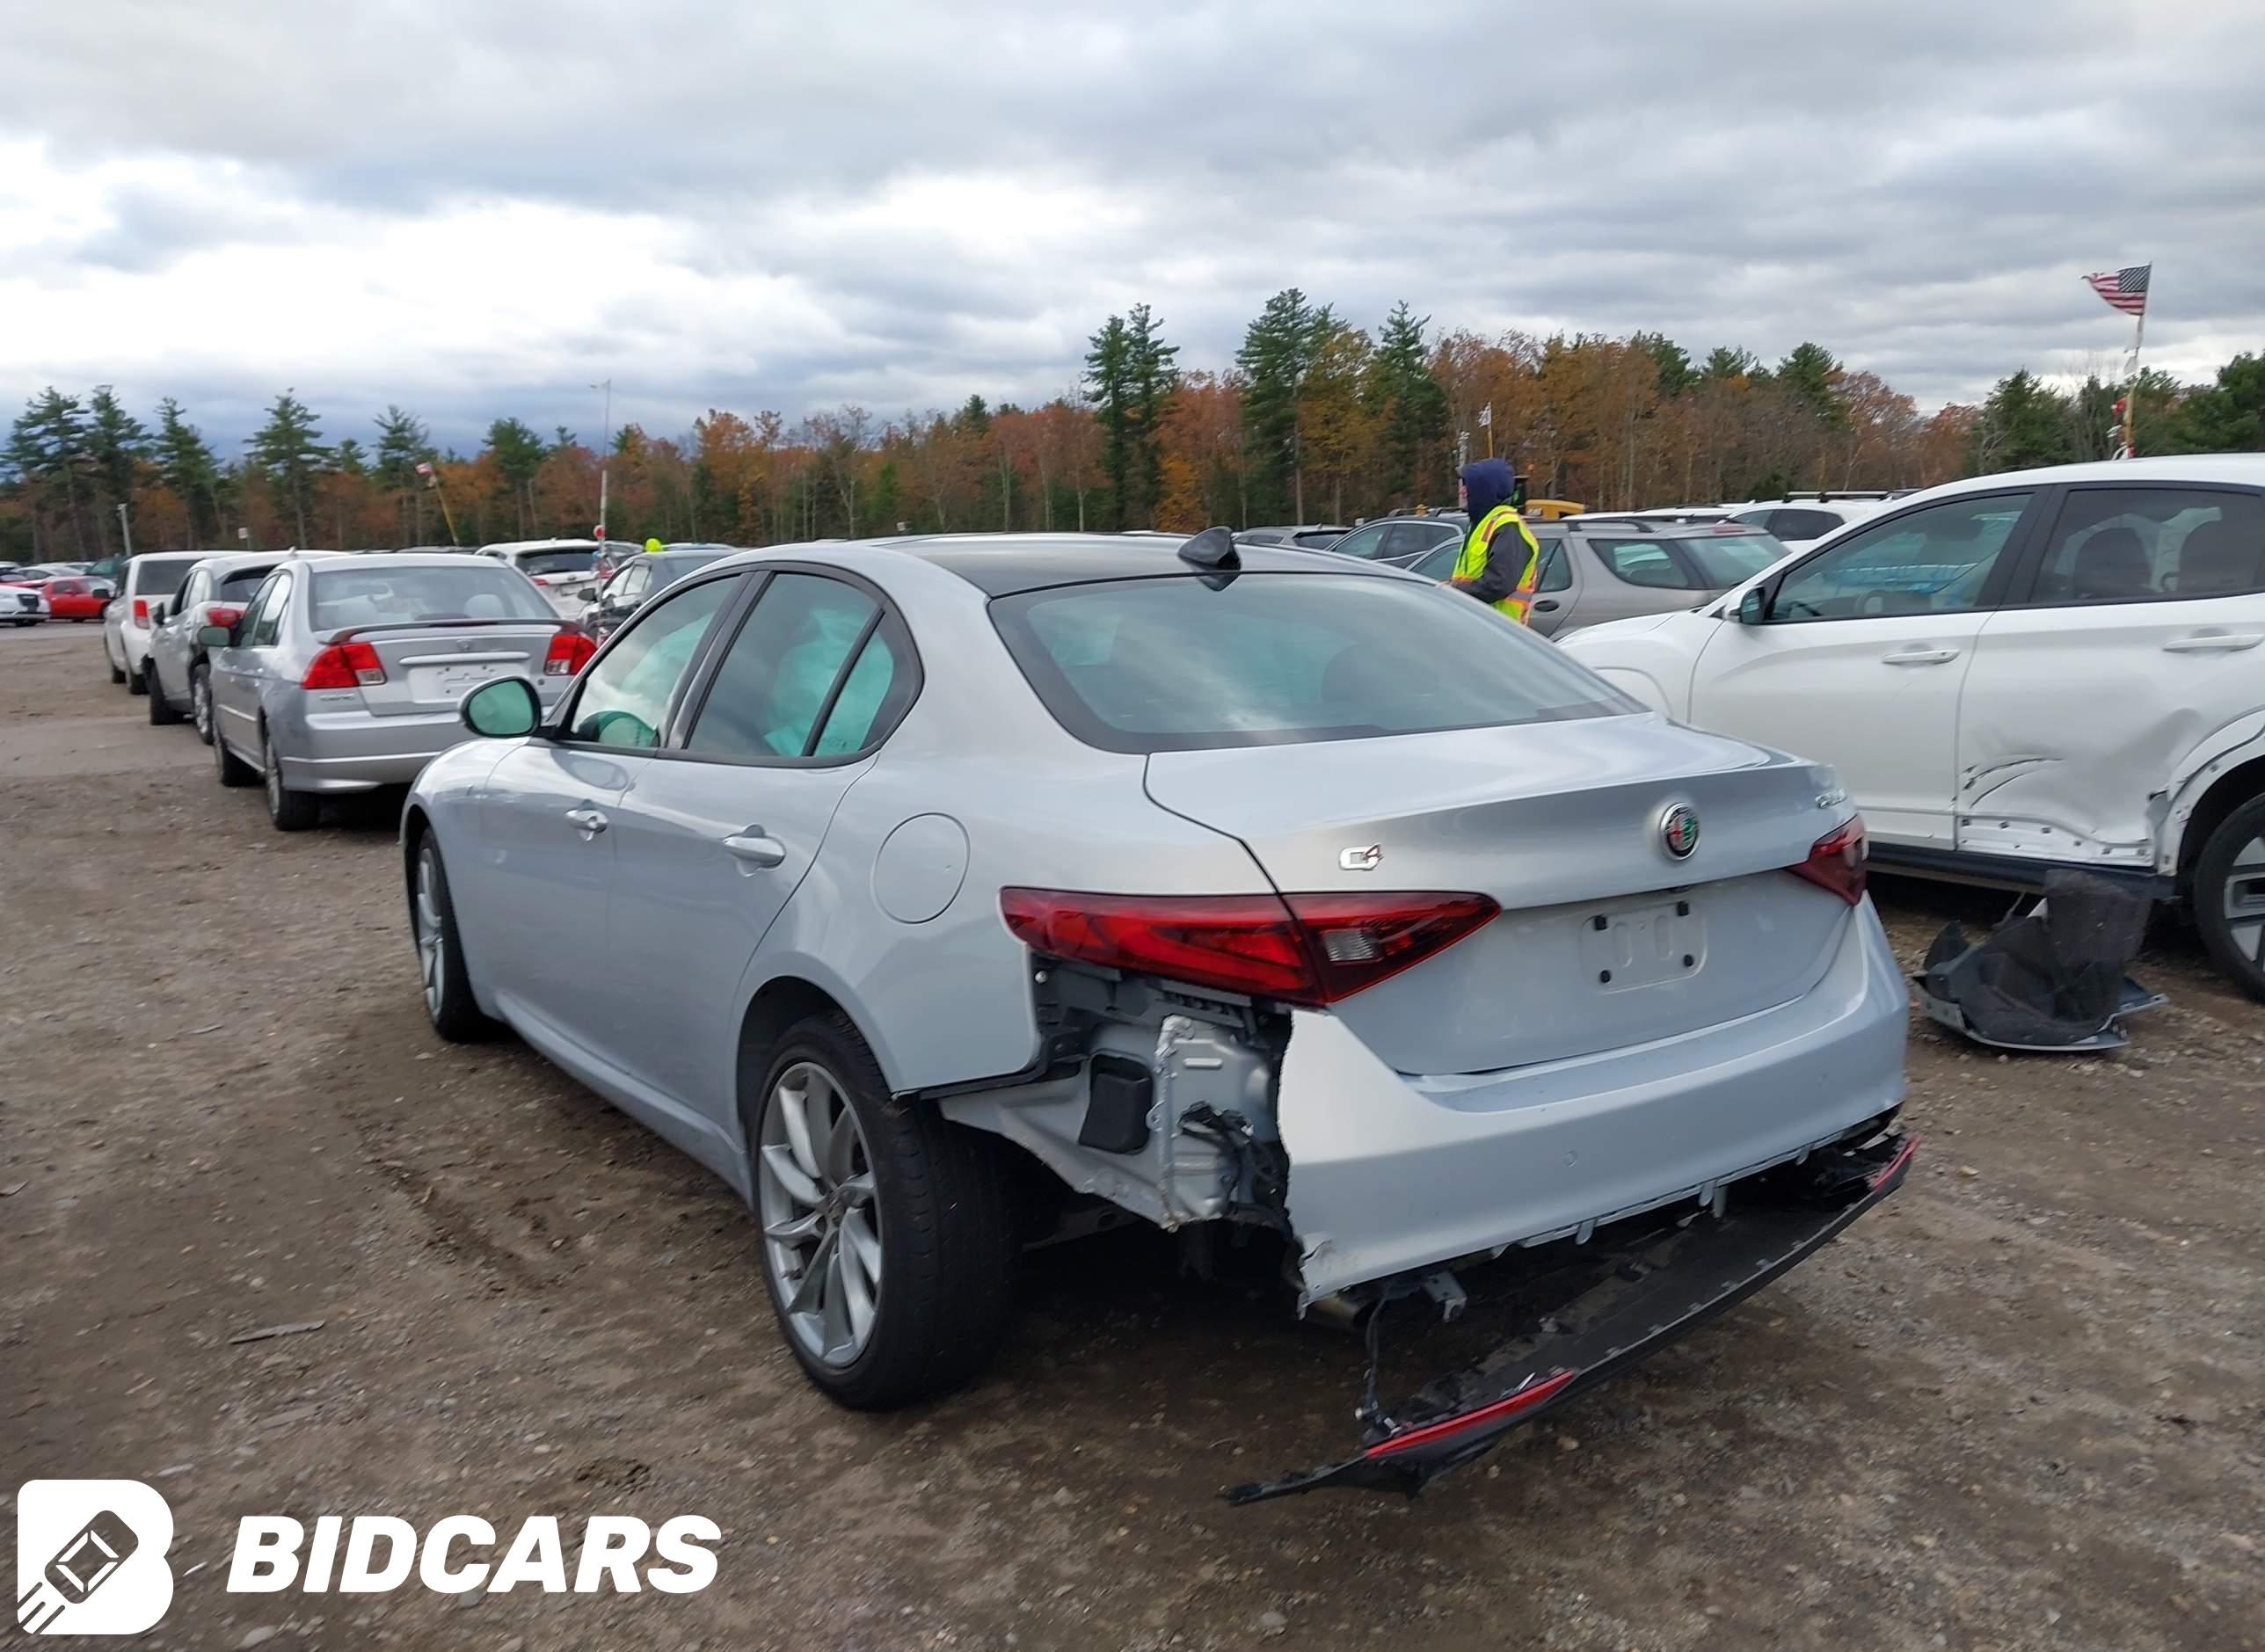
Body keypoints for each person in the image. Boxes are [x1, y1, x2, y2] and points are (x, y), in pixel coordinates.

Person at [1448, 457, 1544, 623]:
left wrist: (1452, 591)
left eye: (1467, 486)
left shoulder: (1508, 526)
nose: (1462, 491)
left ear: (1483, 490)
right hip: (1480, 627)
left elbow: (1498, 584)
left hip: (1497, 630)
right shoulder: (1483, 523)